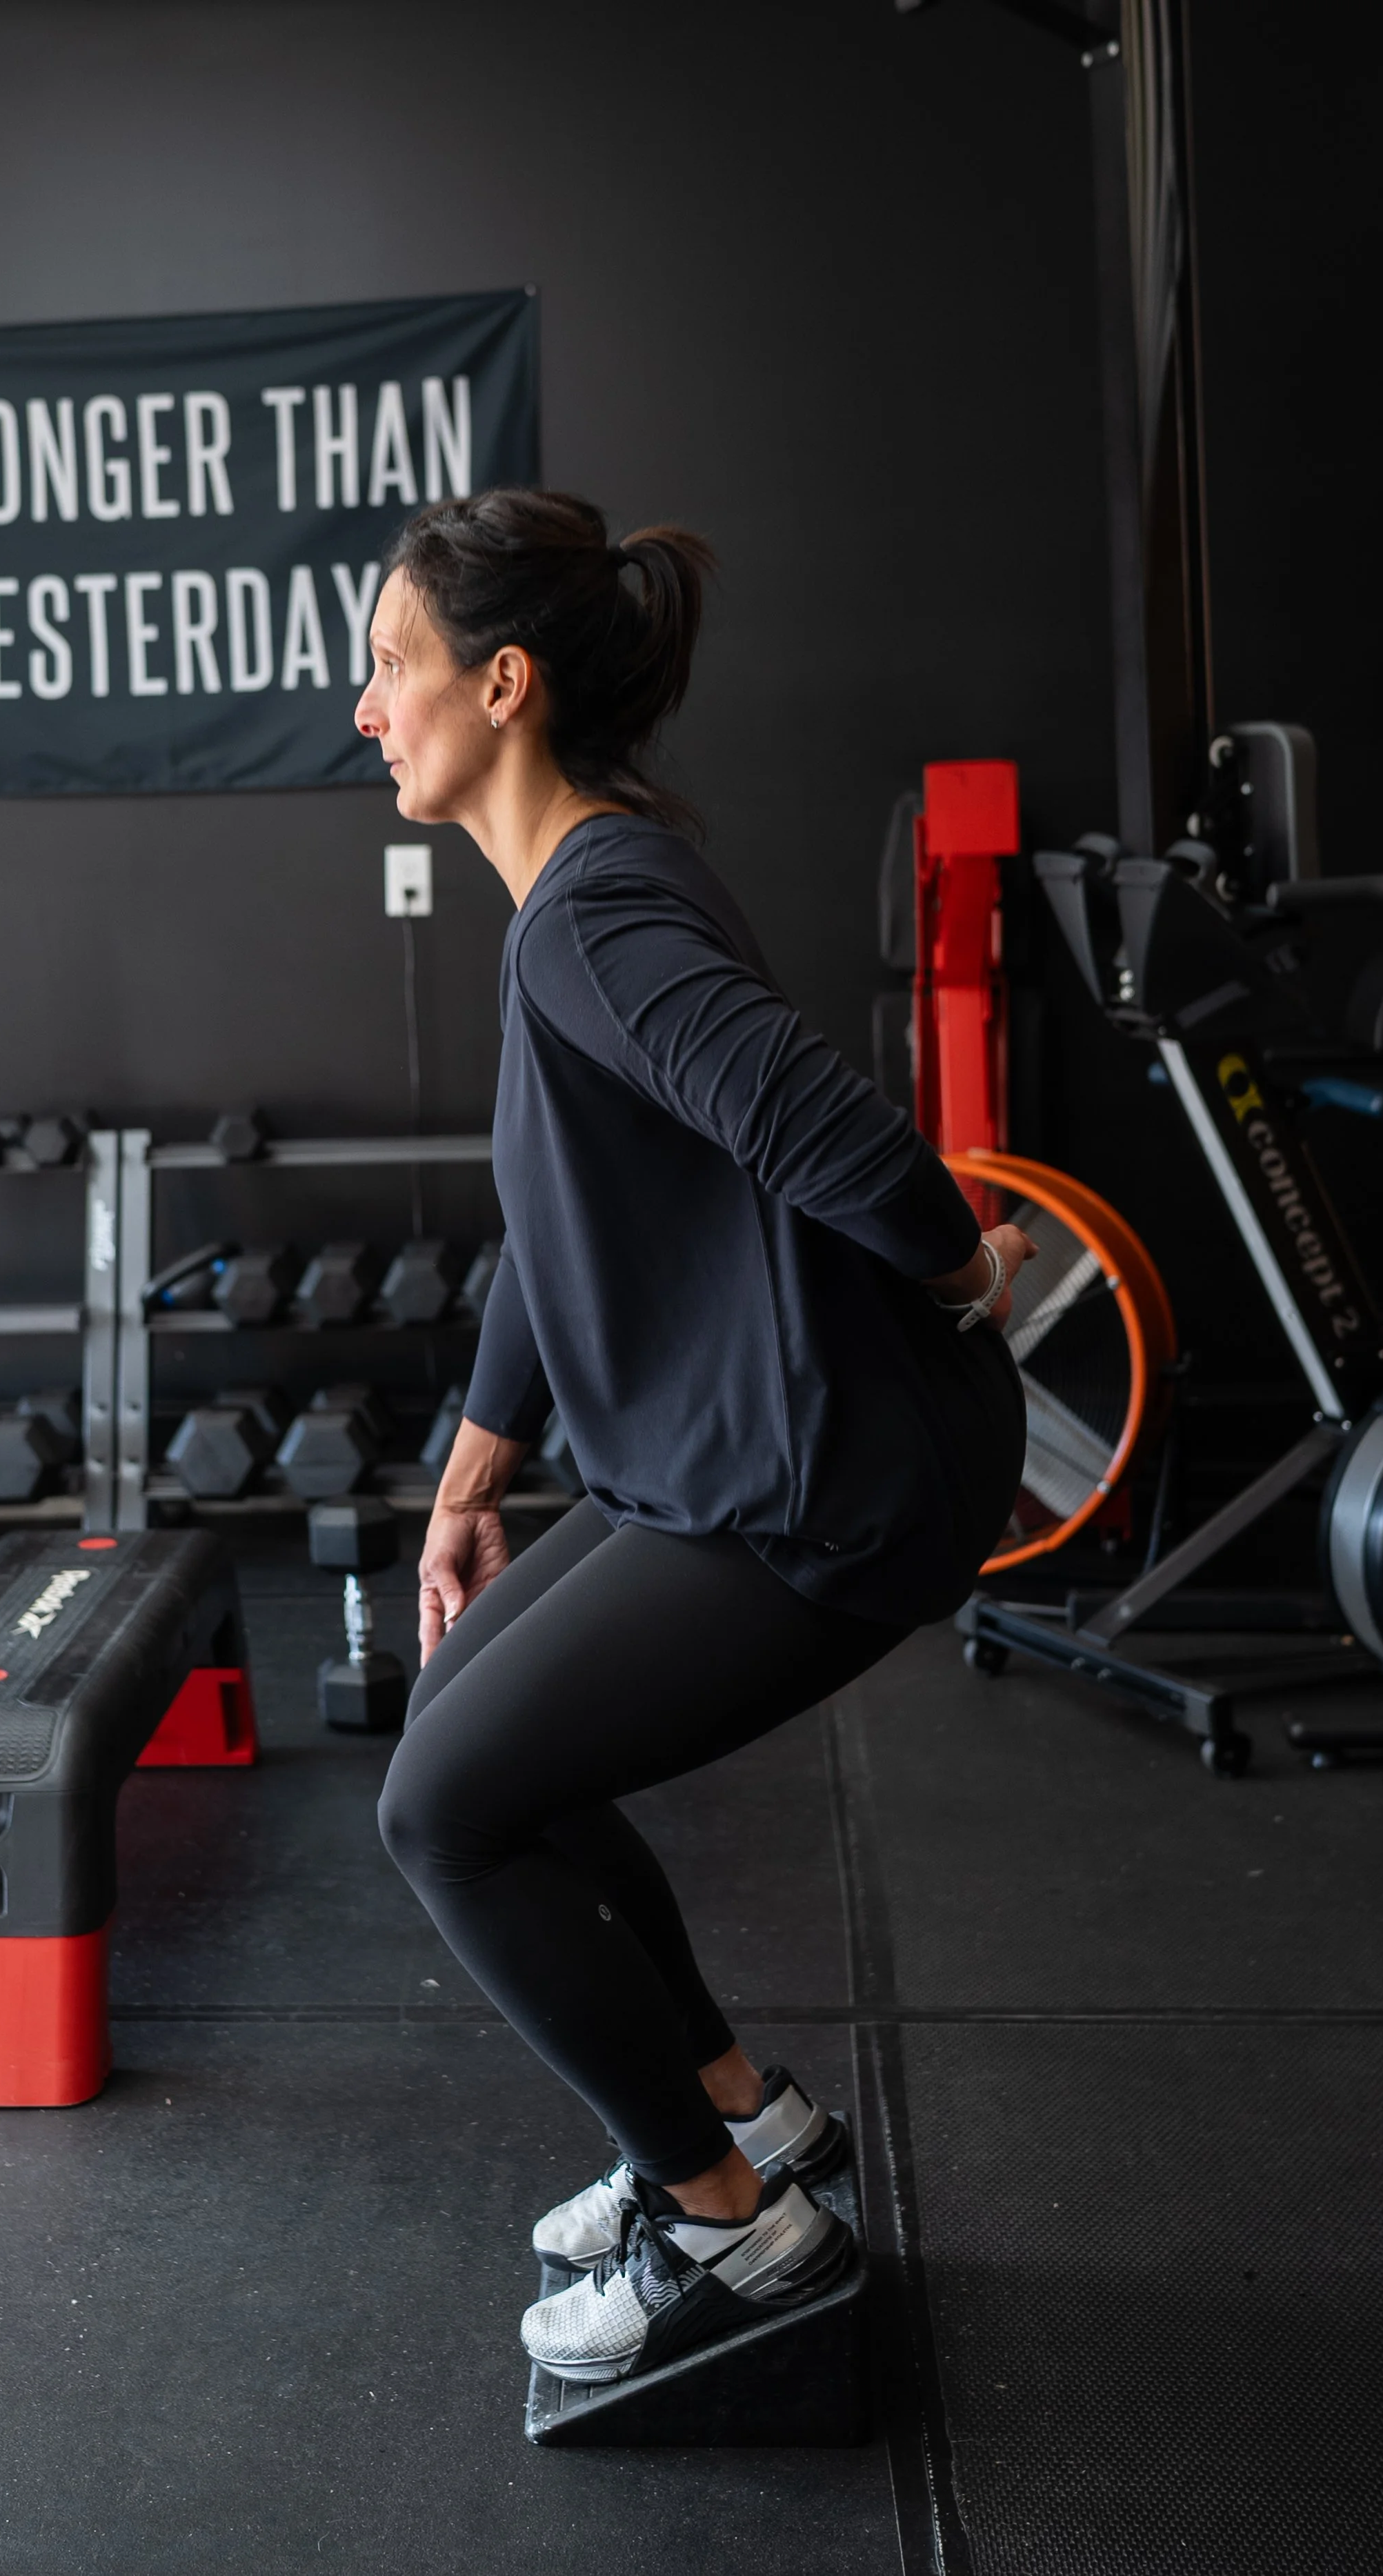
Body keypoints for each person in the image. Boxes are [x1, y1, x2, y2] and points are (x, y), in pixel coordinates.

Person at [353, 490, 1029, 2388]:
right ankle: (744, 2109)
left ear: (504, 683)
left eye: (392, 665)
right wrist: (476, 1469)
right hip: (753, 1449)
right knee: (483, 1724)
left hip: (820, 1476)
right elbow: (561, 1214)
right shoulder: (596, 882)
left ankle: (730, 2221)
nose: (366, 708)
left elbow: (826, 1127)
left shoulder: (594, 911)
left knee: (442, 1807)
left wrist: (963, 1265)